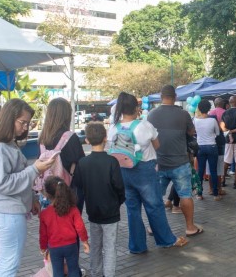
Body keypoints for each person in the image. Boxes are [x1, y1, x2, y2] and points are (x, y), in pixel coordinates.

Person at [0, 99, 56, 276]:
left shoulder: (8, 145)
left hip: (8, 211)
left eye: (27, 123)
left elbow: (14, 177)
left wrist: (33, 198)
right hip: (7, 213)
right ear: (9, 119)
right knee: (9, 263)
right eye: (22, 122)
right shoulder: (0, 148)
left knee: (7, 260)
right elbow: (2, 184)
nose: (25, 127)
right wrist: (35, 169)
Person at [110, 92, 188, 253]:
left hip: (124, 172)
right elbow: (157, 145)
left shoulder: (113, 128)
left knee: (132, 210)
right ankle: (166, 240)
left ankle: (137, 246)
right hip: (145, 170)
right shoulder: (144, 126)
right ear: (136, 108)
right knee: (154, 206)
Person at [148, 85, 204, 237]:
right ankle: (190, 227)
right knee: (185, 195)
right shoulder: (183, 114)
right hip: (180, 162)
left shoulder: (151, 114)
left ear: (161, 97)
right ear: (175, 97)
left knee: (155, 197)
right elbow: (191, 132)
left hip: (158, 162)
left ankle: (154, 228)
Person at [73, 123, 125, 277]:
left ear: (87, 141)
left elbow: (79, 185)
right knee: (110, 247)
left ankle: (96, 272)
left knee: (95, 245)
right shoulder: (112, 162)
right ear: (105, 138)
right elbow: (119, 187)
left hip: (93, 210)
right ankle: (108, 274)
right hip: (111, 211)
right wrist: (118, 201)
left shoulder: (82, 163)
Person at [39, 98, 85, 212]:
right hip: (69, 190)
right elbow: (80, 165)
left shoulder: (42, 139)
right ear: (66, 115)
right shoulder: (70, 137)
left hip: (48, 190)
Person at [40, 177, 90, 277]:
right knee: (73, 270)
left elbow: (43, 234)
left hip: (54, 247)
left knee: (57, 272)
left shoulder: (44, 213)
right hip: (71, 245)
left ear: (48, 194)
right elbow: (80, 227)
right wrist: (85, 241)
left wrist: (43, 248)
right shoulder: (73, 209)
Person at [194, 99, 221, 201]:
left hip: (200, 147)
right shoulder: (213, 120)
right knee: (213, 171)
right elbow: (218, 133)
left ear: (199, 109)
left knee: (200, 171)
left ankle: (199, 194)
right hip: (212, 146)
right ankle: (215, 194)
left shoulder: (195, 120)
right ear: (209, 109)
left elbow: (194, 132)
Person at [221, 95, 236, 189]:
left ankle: (223, 180)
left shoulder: (225, 113)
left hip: (228, 140)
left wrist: (229, 132)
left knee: (226, 160)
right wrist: (233, 131)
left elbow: (222, 126)